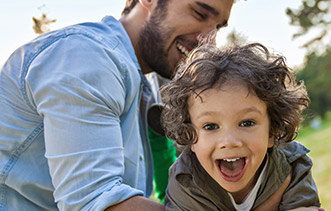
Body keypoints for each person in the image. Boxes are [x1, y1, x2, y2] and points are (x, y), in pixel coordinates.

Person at [0, 0, 235, 210]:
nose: (209, 41)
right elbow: (96, 202)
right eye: (199, 13)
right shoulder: (88, 58)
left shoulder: (146, 82)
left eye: (218, 27)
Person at [161, 43, 322, 210]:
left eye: (247, 123)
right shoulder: (185, 182)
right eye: (210, 126)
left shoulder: (292, 164)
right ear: (190, 137)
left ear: (272, 132)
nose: (230, 141)